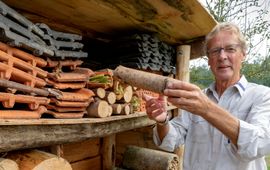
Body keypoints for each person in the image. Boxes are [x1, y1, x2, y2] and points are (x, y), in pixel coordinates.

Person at [143, 22, 270, 170]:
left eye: (230, 49)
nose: (222, 56)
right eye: (215, 51)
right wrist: (163, 122)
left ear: (243, 54)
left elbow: (260, 144)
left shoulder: (263, 95)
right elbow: (172, 140)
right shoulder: (198, 99)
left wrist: (206, 109)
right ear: (209, 60)